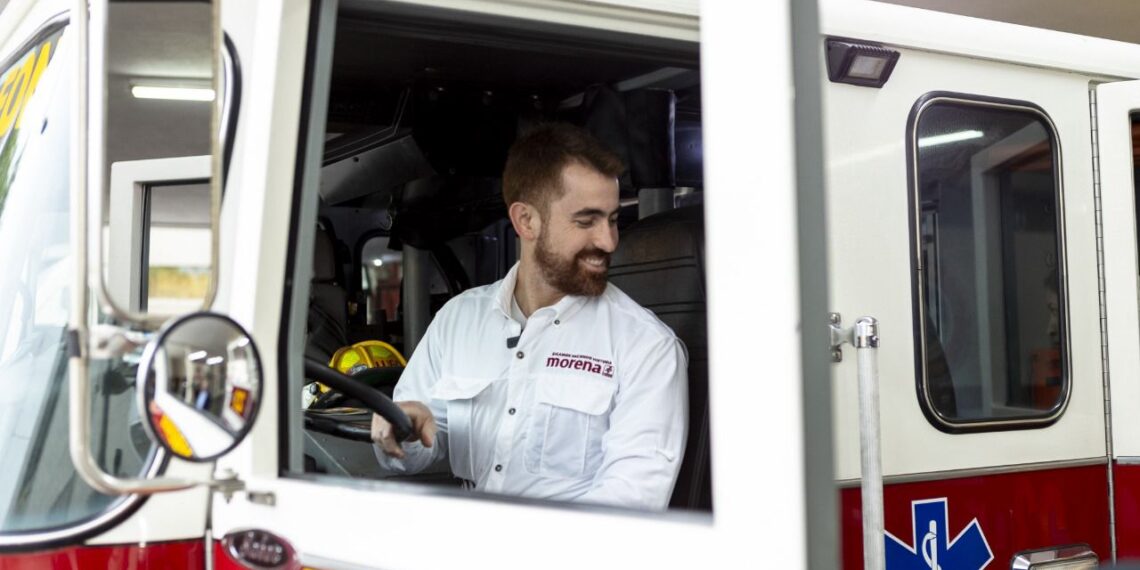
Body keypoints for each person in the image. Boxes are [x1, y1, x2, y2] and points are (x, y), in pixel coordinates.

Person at [370, 123, 688, 511]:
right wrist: (403, 431)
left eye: (613, 219)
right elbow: (420, 446)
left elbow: (628, 507)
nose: (608, 241)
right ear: (526, 221)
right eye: (586, 221)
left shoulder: (646, 347)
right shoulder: (458, 320)